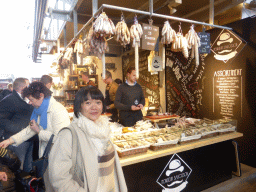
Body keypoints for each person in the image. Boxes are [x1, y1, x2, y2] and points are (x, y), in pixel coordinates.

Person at [44, 86, 127, 192]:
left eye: (98, 102)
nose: (94, 107)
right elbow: (59, 177)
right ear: (79, 106)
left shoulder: (104, 130)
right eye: (88, 103)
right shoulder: (68, 135)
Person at [0, 82, 70, 160]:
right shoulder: (39, 110)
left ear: (41, 96)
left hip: (58, 157)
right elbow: (30, 130)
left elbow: (60, 138)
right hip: (47, 155)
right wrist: (9, 141)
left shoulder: (58, 110)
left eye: (31, 100)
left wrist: (39, 131)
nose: (30, 103)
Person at [0, 78, 33, 172]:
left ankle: (27, 186)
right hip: (16, 140)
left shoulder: (23, 99)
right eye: (28, 86)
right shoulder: (9, 100)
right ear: (23, 88)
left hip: (27, 138)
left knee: (27, 168)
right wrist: (20, 129)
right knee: (18, 168)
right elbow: (2, 120)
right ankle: (19, 187)